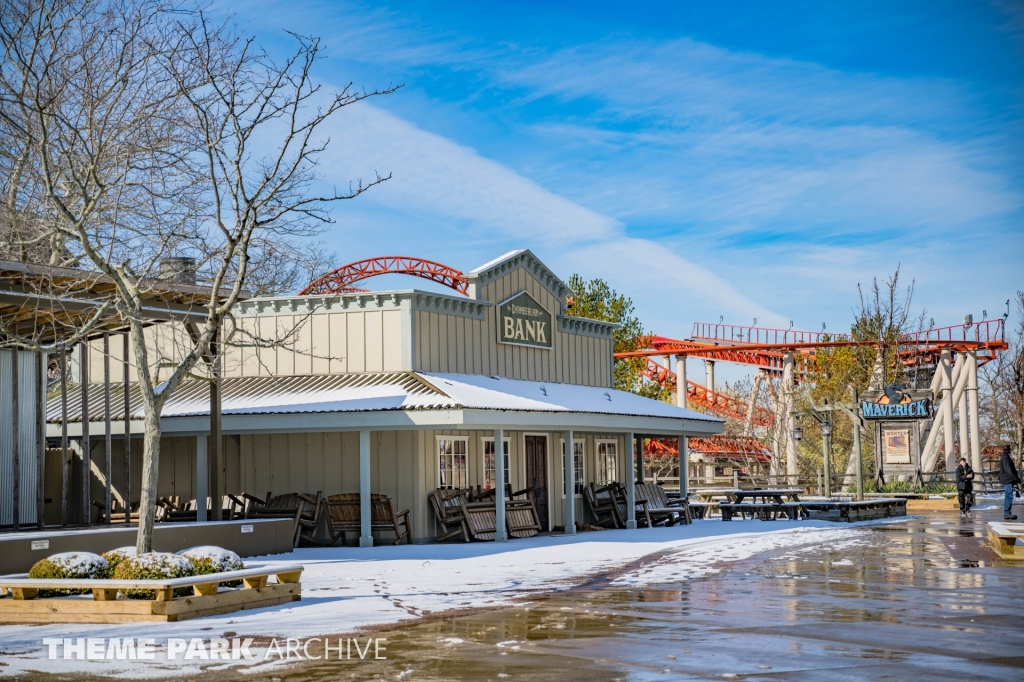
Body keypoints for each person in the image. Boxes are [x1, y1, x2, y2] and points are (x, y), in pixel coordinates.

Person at [998, 445, 1021, 520]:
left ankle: (1007, 513)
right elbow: (1008, 470)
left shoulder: (1005, 457)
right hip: (1007, 480)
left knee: (1008, 496)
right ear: (1009, 451)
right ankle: (1007, 513)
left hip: (1007, 479)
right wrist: (1015, 478)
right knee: (1009, 496)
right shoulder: (1005, 458)